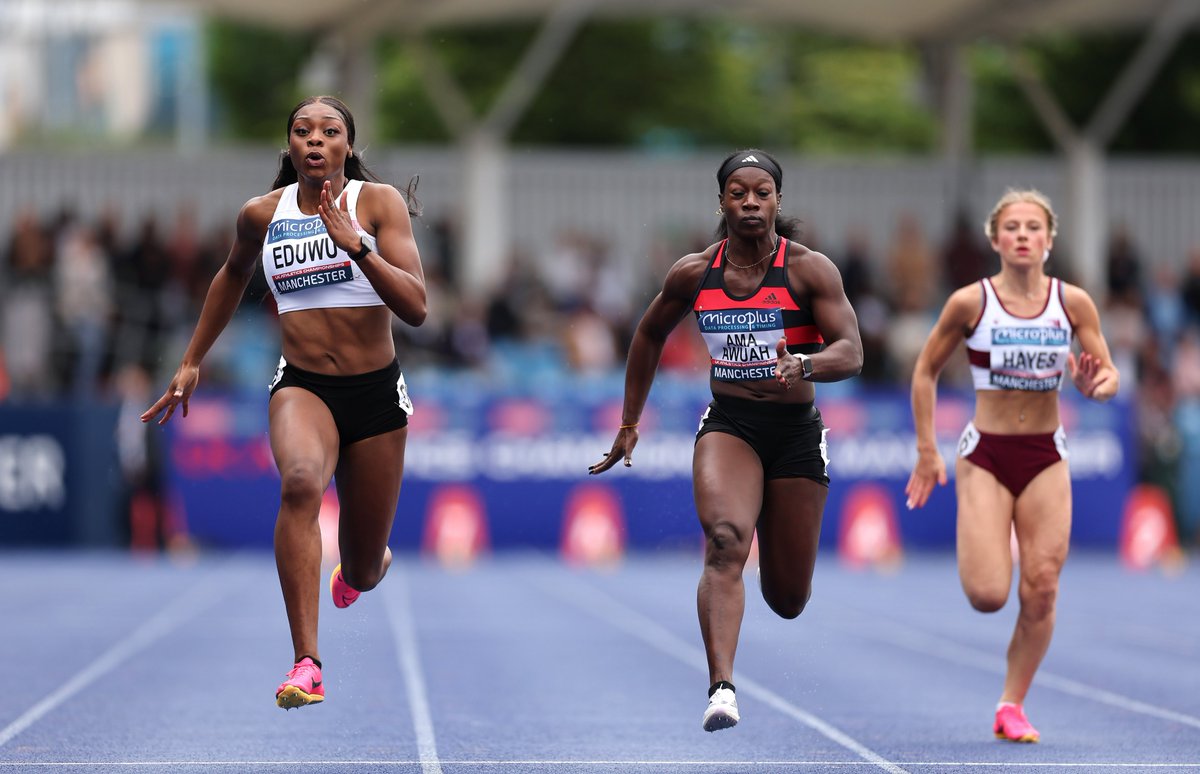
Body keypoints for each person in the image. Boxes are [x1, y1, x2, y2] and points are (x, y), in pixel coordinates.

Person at [141, 95, 426, 710]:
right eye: (303, 131)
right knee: (299, 483)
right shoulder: (260, 215)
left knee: (365, 570)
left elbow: (418, 308)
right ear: (289, 146)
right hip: (303, 386)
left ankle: (358, 569)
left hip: (376, 397)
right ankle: (307, 663)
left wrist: (358, 246)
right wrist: (192, 360)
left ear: (347, 146)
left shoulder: (376, 205)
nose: (315, 140)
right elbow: (229, 276)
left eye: (330, 131)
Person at [589, 149, 863, 732]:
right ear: (721, 202)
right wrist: (630, 421)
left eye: (761, 192)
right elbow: (647, 336)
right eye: (738, 193)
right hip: (730, 426)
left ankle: (772, 564)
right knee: (724, 540)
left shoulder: (810, 270)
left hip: (793, 434)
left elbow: (852, 352)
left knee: (788, 599)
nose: (750, 203)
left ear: (777, 201)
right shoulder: (695, 273)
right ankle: (722, 688)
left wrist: (805, 367)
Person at [905, 189, 1119, 743]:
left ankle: (1012, 704)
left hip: (1046, 454)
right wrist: (928, 449)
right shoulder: (969, 303)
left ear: (1049, 241)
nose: (1022, 235)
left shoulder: (1072, 303)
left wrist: (1098, 385)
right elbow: (924, 371)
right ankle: (980, 540)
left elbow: (1109, 374)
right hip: (987, 455)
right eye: (1012, 227)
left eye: (1033, 227)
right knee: (988, 595)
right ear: (995, 239)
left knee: (1042, 586)